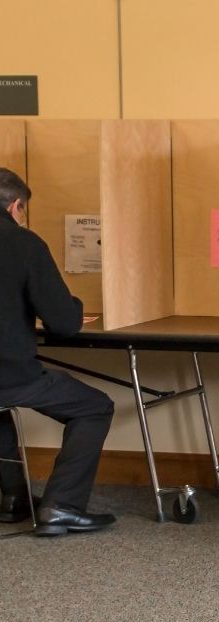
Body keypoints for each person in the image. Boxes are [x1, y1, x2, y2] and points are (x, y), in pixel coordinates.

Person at [0, 167, 116, 536]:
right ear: (16, 206)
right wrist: (77, 304)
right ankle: (61, 506)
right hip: (10, 374)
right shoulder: (23, 243)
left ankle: (13, 498)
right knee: (94, 407)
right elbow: (64, 322)